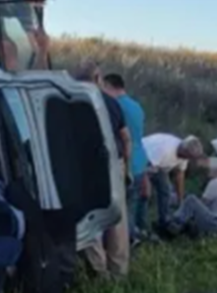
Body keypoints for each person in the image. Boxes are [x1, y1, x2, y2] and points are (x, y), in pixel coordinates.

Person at [74, 65, 130, 279]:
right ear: (98, 78)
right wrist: (126, 167)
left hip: (87, 165)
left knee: (89, 216)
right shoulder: (111, 103)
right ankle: (119, 270)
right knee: (117, 216)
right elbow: (126, 138)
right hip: (114, 162)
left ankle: (98, 270)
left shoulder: (73, 101)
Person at [100, 72, 150, 244]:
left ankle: (126, 240)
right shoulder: (137, 106)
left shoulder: (114, 106)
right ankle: (135, 235)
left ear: (108, 85)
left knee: (121, 209)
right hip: (140, 161)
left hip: (126, 162)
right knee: (132, 204)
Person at [143, 133, 205, 234]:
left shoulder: (184, 155)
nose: (187, 159)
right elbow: (147, 167)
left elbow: (179, 176)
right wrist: (146, 185)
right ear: (184, 150)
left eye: (190, 158)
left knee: (166, 189)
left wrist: (180, 201)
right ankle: (142, 225)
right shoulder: (165, 149)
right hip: (143, 159)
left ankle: (164, 221)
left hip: (158, 166)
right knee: (144, 193)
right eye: (188, 156)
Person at [168, 159, 217, 238]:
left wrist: (181, 203)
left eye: (210, 168)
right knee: (189, 202)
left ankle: (173, 224)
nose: (207, 171)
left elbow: (202, 203)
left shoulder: (216, 182)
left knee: (191, 200)